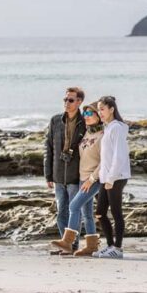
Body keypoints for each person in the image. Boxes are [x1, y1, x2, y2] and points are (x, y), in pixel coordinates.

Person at [50, 102, 103, 256]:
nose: (85, 117)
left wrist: (91, 179)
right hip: (82, 177)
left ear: (99, 116)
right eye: (84, 114)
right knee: (87, 214)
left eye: (89, 114)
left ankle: (67, 242)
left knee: (73, 207)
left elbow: (105, 162)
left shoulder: (104, 135)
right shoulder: (87, 133)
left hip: (94, 179)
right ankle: (91, 247)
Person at [44, 86, 86, 253]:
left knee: (74, 211)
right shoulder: (55, 121)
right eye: (65, 99)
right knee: (61, 211)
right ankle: (65, 244)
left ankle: (73, 244)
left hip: (76, 176)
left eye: (70, 100)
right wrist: (48, 174)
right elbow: (48, 148)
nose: (66, 103)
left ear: (79, 102)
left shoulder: (85, 122)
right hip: (58, 175)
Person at [92, 96, 131, 259]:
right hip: (105, 177)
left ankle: (118, 249)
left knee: (116, 212)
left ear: (111, 109)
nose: (100, 112)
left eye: (102, 109)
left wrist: (111, 178)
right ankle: (109, 246)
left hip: (116, 177)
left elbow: (119, 156)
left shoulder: (117, 128)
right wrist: (103, 177)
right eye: (99, 109)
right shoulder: (108, 128)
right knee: (100, 212)